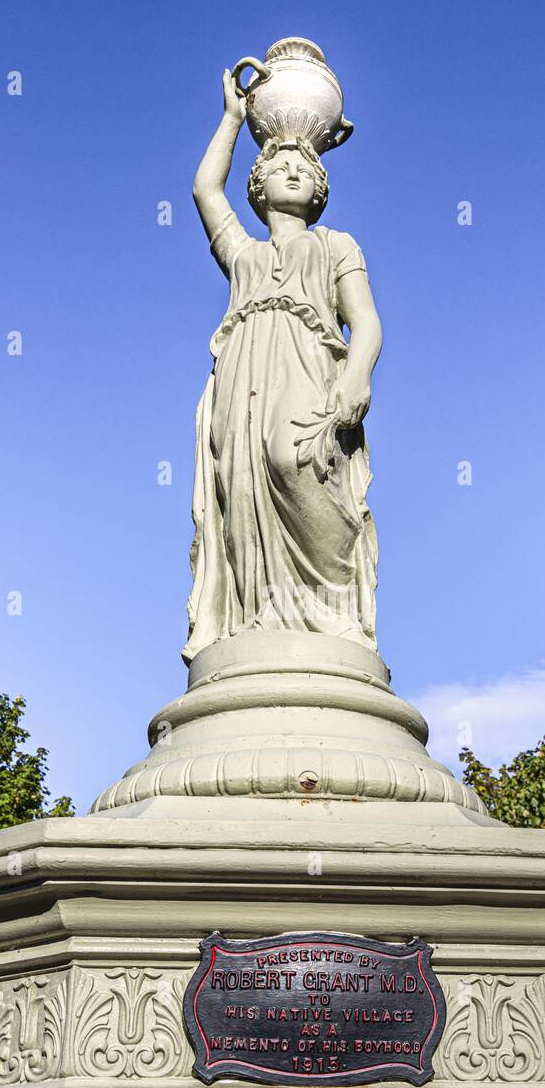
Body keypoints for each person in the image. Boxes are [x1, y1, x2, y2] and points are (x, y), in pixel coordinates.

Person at [183, 69, 383, 664]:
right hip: (241, 377)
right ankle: (255, 616)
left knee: (292, 460)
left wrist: (357, 376)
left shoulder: (336, 245)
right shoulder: (244, 255)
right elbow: (203, 191)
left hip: (307, 364)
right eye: (278, 167)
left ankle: (332, 605)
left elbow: (366, 322)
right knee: (238, 486)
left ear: (320, 188)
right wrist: (232, 118)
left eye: (305, 168)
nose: (292, 171)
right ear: (258, 185)